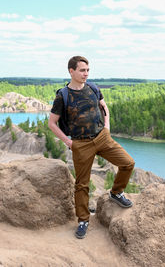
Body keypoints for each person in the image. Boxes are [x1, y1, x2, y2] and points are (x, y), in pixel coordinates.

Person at [48, 56, 135, 239]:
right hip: (81, 143)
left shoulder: (93, 88)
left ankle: (116, 192)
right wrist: (68, 142)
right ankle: (83, 221)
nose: (86, 74)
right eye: (82, 70)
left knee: (128, 163)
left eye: (87, 70)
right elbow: (52, 123)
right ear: (71, 71)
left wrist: (107, 126)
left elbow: (104, 107)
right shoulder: (62, 96)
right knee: (82, 185)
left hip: (102, 137)